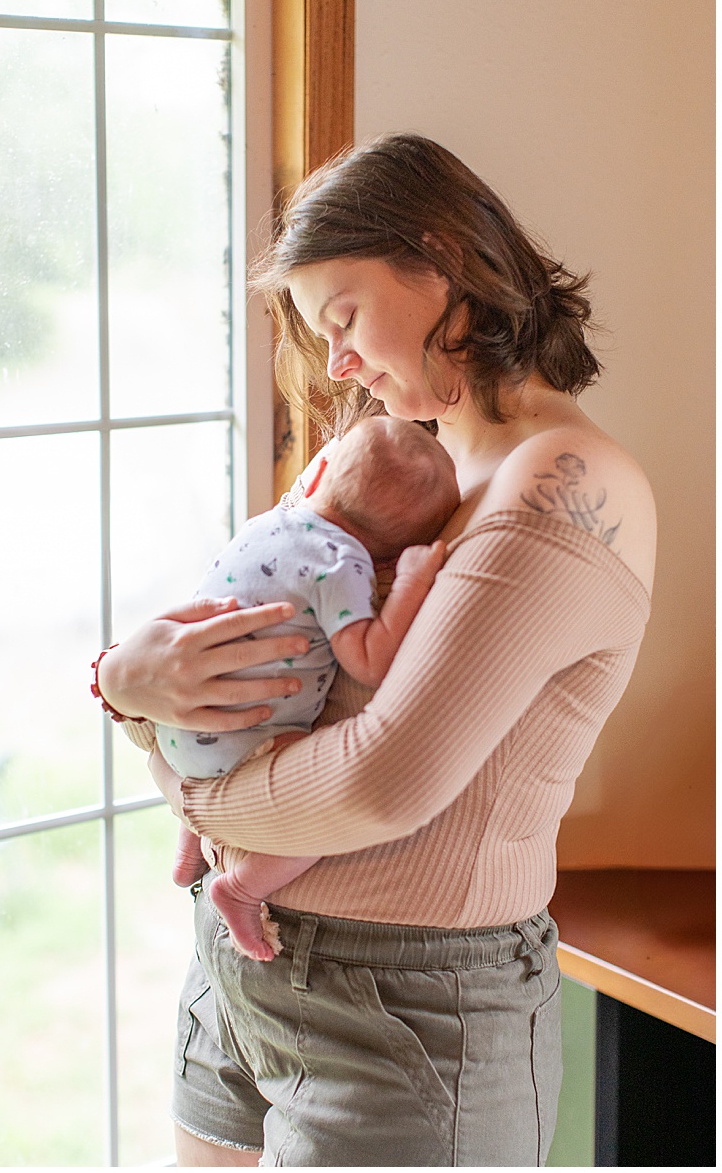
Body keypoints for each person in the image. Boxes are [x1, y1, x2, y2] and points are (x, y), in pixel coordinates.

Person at [93, 133, 656, 1167]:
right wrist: (124, 680)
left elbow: (385, 781)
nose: (338, 362)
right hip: (241, 965)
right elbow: (243, 632)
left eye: (343, 318)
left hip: (411, 1008)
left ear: (435, 255)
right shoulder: (404, 452)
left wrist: (186, 786)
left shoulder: (562, 482)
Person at [155, 417, 458, 961]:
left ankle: (190, 843)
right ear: (389, 556)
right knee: (323, 804)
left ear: (317, 474)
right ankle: (241, 886)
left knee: (221, 742)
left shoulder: (266, 524)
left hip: (177, 725)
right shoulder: (341, 563)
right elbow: (367, 662)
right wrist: (411, 583)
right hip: (238, 746)